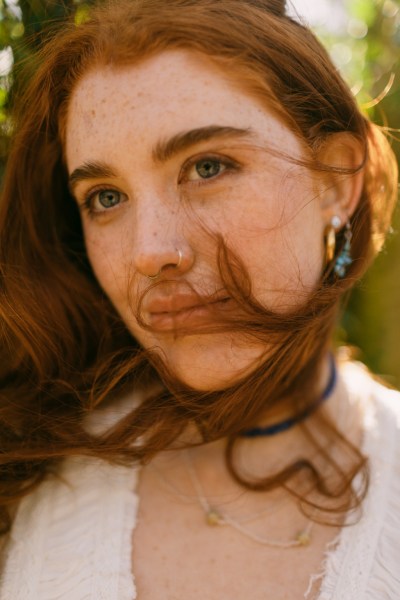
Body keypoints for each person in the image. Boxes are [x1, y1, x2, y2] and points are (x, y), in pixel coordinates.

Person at [0, 0, 399, 598]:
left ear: (336, 182)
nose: (150, 251)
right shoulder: (22, 479)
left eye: (207, 166)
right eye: (105, 198)